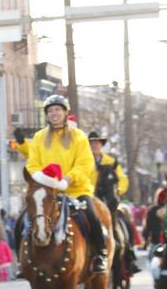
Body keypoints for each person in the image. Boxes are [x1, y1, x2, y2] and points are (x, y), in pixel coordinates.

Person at [13, 94, 109, 273]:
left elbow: (85, 164)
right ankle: (21, 260)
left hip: (75, 188)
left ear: (65, 113)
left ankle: (100, 255)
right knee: (23, 218)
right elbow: (32, 164)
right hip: (47, 190)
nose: (53, 113)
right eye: (50, 111)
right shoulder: (39, 137)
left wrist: (68, 178)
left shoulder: (78, 136)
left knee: (92, 215)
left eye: (57, 109)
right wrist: (42, 179)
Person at [87, 130, 139, 275]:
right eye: (91, 143)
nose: (94, 145)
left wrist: (118, 191)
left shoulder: (111, 161)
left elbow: (122, 179)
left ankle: (128, 252)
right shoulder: (83, 160)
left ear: (101, 145)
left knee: (121, 224)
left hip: (108, 200)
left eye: (97, 143)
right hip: (89, 199)